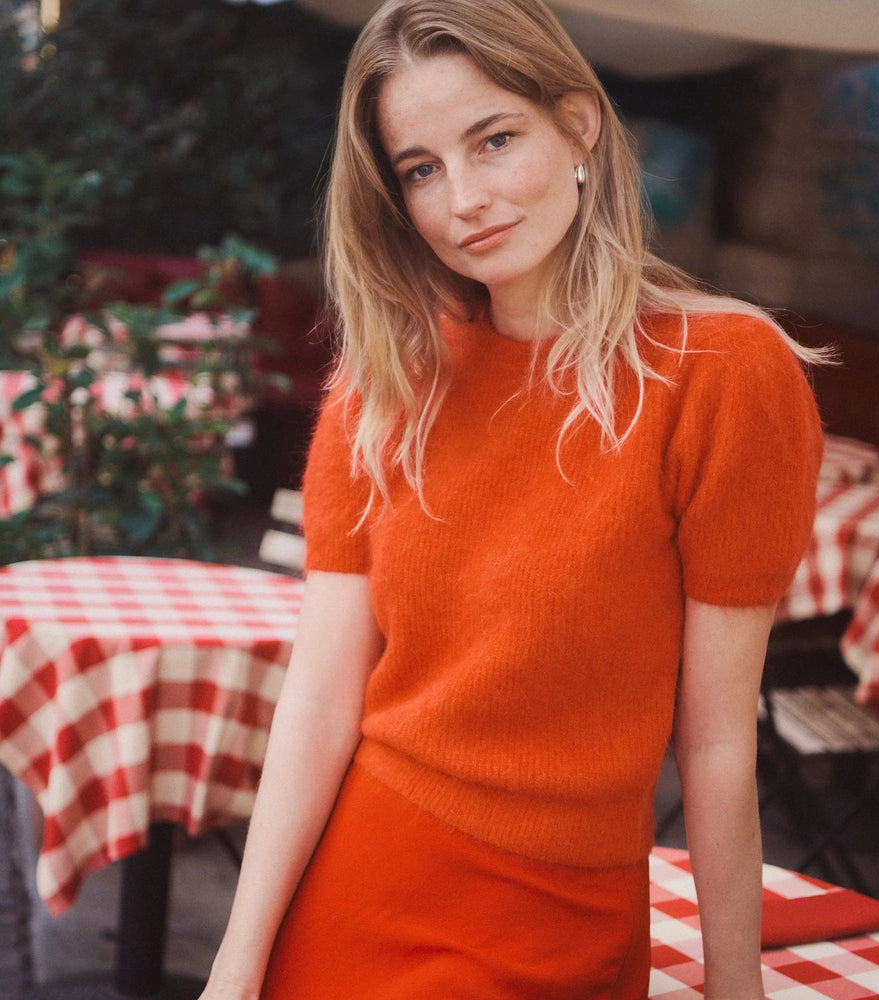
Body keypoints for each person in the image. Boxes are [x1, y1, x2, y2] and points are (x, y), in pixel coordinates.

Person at [201, 1, 824, 997]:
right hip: (363, 888)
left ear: (578, 126)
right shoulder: (383, 384)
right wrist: (237, 960)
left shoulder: (725, 373)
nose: (464, 200)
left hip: (568, 917)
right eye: (420, 168)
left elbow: (715, 740)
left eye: (494, 140)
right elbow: (319, 703)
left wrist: (736, 983)